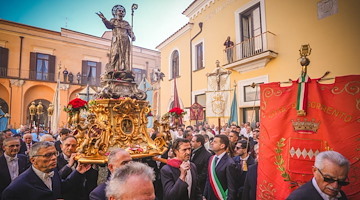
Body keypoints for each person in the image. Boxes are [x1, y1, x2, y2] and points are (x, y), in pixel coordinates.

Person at [2, 141, 91, 200]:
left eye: (54, 154)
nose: (54, 158)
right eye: (48, 155)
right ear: (33, 160)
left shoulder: (52, 171)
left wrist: (78, 172)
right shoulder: (16, 188)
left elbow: (61, 187)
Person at [97, 5, 135, 72]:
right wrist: (104, 19)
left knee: (125, 56)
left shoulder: (126, 23)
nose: (121, 12)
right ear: (116, 12)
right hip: (116, 40)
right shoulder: (113, 21)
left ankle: (125, 70)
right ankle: (112, 69)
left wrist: (133, 36)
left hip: (125, 41)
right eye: (119, 11)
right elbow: (109, 25)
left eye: (122, 11)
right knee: (115, 54)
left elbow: (130, 32)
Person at [204, 135, 237, 200]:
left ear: (222, 146)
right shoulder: (211, 159)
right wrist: (205, 195)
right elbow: (208, 179)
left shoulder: (230, 163)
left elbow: (231, 187)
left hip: (221, 197)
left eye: (215, 142)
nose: (212, 143)